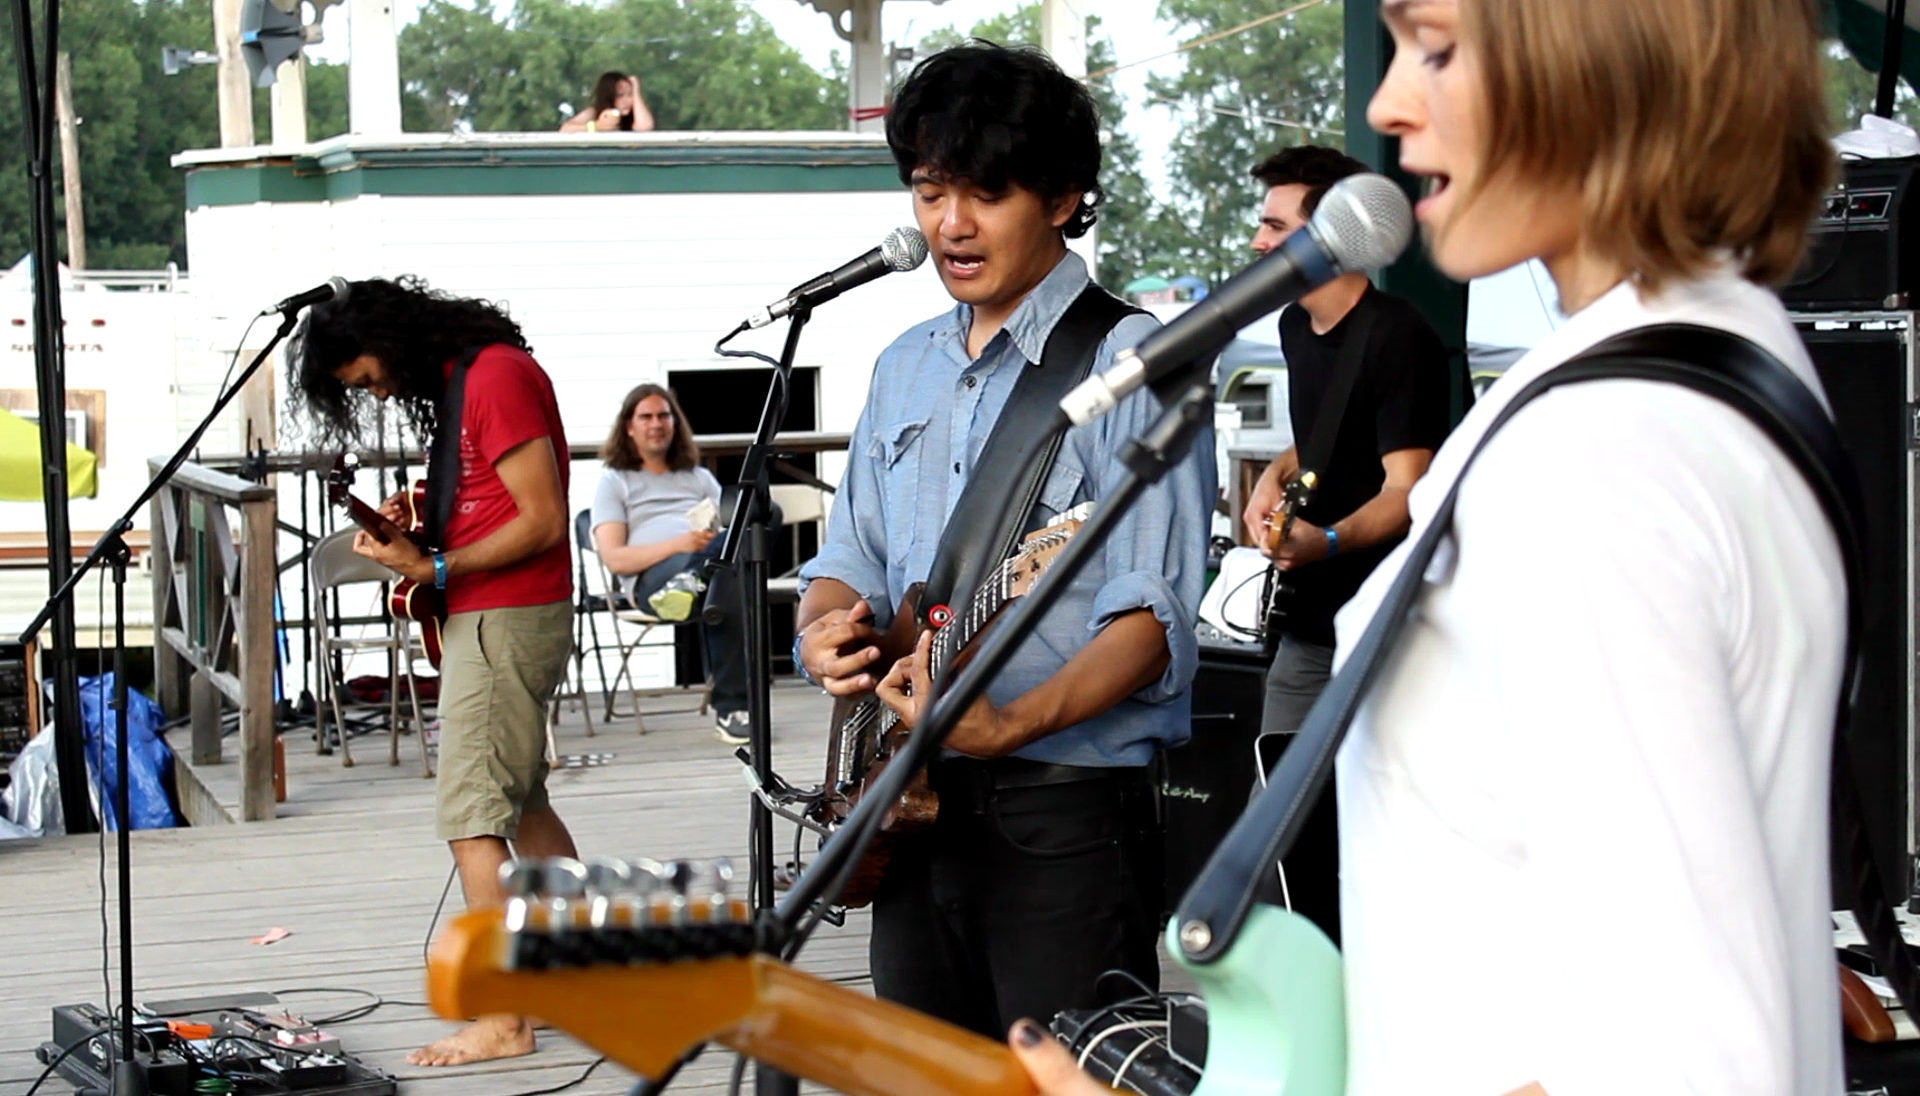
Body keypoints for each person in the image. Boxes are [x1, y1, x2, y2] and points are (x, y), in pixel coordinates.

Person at [1011, 0, 1842, 1094]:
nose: (1391, 104)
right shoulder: (1715, 365)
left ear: (1613, 51)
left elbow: (1679, 1055)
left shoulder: (1594, 458)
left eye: (1438, 47)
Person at [795, 43, 1215, 1040]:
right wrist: (823, 632)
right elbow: (851, 557)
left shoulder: (1134, 362)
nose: (951, 223)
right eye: (930, 191)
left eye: (986, 194)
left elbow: (1150, 617)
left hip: (1060, 816)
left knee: (1066, 1075)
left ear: (1065, 198)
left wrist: (1007, 724)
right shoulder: (903, 365)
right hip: (900, 793)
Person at [288, 276, 577, 1068]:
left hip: (505, 616)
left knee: (471, 818)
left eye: (369, 378)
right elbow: (492, 498)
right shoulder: (465, 378)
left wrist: (436, 566)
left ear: (388, 341)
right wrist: (418, 520)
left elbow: (544, 519)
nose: (376, 394)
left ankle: (505, 1019)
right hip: (501, 613)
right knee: (523, 805)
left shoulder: (493, 377)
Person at [1238, 146, 1453, 739]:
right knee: (1275, 788)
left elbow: (1407, 490)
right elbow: (1325, 438)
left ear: (1332, 235)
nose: (1258, 241)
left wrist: (1326, 540)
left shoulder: (1397, 334)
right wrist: (1272, 477)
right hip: (1308, 622)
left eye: (1275, 226)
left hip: (1384, 623)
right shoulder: (1294, 325)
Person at [590, 383, 751, 745]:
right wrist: (679, 545)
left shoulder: (697, 476)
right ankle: (733, 708)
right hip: (652, 581)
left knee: (760, 518)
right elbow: (615, 558)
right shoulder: (614, 481)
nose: (656, 424)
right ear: (629, 427)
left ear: (675, 423)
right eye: (645, 417)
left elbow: (731, 530)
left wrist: (706, 548)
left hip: (706, 571)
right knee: (726, 582)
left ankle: (695, 578)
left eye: (664, 416)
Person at [559, 71, 654, 133]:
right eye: (620, 95)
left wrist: (636, 91)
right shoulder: (594, 112)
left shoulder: (635, 115)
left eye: (630, 95)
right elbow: (565, 129)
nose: (627, 101)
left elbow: (644, 127)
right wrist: (597, 126)